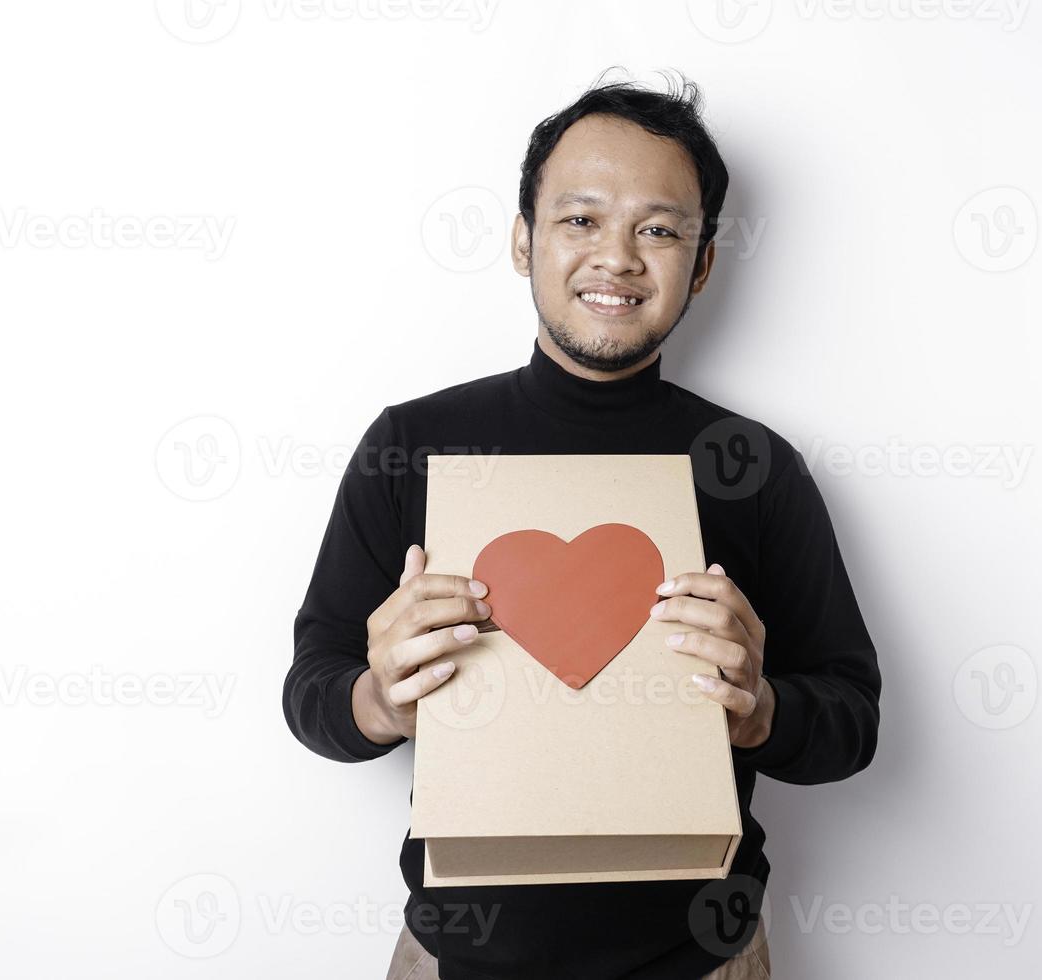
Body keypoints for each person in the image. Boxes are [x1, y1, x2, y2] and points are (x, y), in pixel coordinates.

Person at [284, 70, 881, 980]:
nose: (619, 256)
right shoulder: (414, 443)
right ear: (523, 241)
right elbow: (310, 690)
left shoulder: (750, 464)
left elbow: (852, 720)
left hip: (705, 957)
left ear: (705, 261)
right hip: (459, 956)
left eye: (659, 228)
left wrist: (759, 709)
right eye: (581, 219)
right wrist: (378, 697)